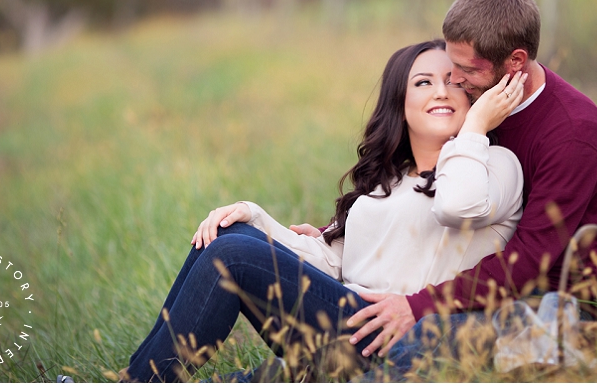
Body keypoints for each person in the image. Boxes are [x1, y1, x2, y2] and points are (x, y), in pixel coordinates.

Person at [123, 39, 528, 382]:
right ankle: (135, 379)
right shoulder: (386, 183)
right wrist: (251, 215)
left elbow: (459, 204)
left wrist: (474, 129)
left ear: (473, 97)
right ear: (400, 102)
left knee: (231, 257)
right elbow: (331, 263)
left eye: (453, 82)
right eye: (423, 82)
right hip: (345, 319)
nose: (441, 91)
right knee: (226, 236)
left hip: (400, 337)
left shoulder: (494, 165)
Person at [342, 0, 597, 377]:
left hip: (547, 300)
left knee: (412, 343)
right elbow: (417, 187)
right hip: (473, 281)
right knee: (348, 340)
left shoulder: (573, 134)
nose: (453, 80)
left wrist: (418, 306)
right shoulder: (479, 101)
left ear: (516, 62)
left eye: (466, 69)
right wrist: (335, 231)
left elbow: (528, 264)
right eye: (451, 63)